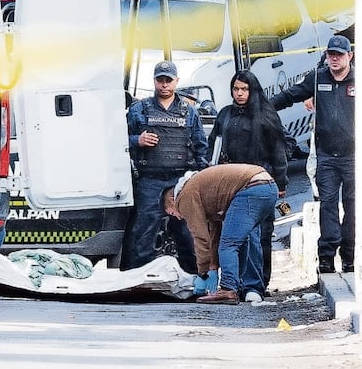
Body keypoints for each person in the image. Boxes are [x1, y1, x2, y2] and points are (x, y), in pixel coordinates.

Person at [271, 34, 355, 274]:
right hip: (327, 157)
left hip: (354, 157)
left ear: (349, 55)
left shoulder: (361, 79)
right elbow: (291, 95)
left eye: (339, 55)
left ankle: (349, 257)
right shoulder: (317, 78)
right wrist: (262, 104)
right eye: (331, 55)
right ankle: (327, 257)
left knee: (353, 207)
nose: (335, 59)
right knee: (327, 205)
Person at [122, 60, 209, 272]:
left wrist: (201, 178)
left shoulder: (189, 111)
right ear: (154, 81)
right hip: (149, 179)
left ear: (176, 82)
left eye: (168, 80)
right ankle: (138, 277)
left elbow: (200, 146)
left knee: (187, 232)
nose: (164, 85)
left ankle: (195, 278)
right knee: (144, 231)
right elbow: (120, 140)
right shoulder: (139, 110)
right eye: (160, 80)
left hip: (180, 179)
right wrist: (137, 141)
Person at [208, 70, 288, 297]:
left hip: (260, 182)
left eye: (244, 89)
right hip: (231, 183)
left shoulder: (265, 115)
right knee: (235, 235)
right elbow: (214, 144)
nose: (240, 93)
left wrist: (281, 182)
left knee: (261, 235)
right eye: (236, 89)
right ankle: (240, 283)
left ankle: (259, 283)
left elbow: (278, 151)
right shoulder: (225, 115)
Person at [163, 164, 279, 305]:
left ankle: (228, 289)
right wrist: (212, 267)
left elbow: (200, 237)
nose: (178, 216)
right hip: (269, 188)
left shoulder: (184, 196)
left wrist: (203, 274)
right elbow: (214, 235)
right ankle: (237, 286)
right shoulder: (204, 191)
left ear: (171, 200)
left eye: (171, 212)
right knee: (241, 241)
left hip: (251, 189)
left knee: (229, 245)